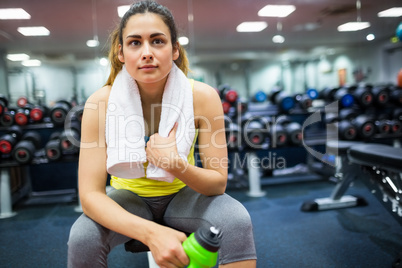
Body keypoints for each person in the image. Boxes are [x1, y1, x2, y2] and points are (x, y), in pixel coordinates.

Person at [67, 1, 257, 267]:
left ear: (175, 49)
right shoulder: (100, 103)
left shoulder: (202, 97)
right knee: (83, 237)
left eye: (157, 41)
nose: (147, 52)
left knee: (236, 221)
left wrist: (175, 164)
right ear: (121, 53)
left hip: (183, 196)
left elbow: (217, 183)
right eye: (135, 43)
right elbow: (89, 196)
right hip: (128, 199)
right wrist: (152, 232)